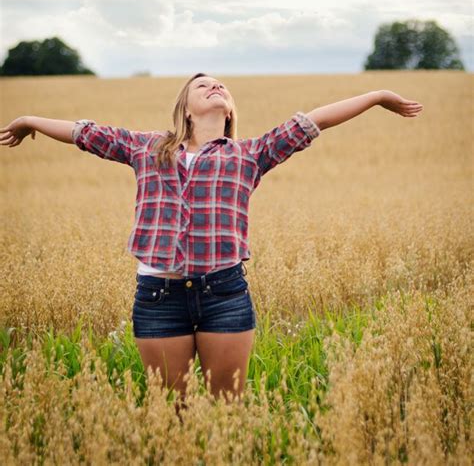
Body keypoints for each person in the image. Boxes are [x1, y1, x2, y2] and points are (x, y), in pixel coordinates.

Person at [0, 74, 423, 406]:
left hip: (224, 293)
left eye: (221, 85)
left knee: (226, 411)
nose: (215, 86)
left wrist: (377, 95)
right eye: (203, 85)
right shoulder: (147, 147)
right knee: (171, 411)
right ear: (185, 109)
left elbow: (316, 120)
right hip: (159, 297)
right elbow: (84, 133)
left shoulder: (250, 154)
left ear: (229, 108)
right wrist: (28, 120)